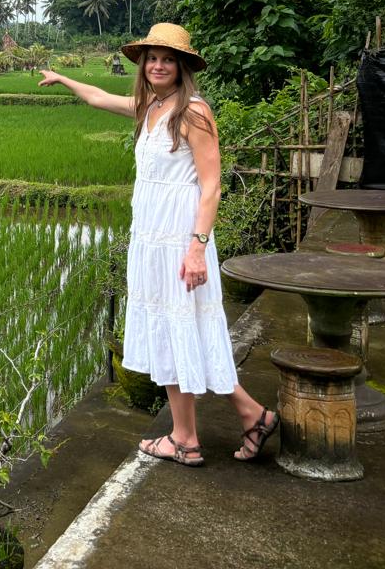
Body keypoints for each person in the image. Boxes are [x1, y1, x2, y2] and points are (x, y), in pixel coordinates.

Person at [39, 23, 278, 466]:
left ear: (182, 66)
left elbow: (211, 187)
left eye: (168, 59)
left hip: (179, 240)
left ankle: (186, 439)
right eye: (152, 58)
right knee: (181, 331)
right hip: (151, 238)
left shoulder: (194, 113)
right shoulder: (150, 106)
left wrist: (197, 248)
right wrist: (63, 79)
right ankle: (250, 415)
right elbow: (98, 97)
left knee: (177, 328)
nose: (159, 65)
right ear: (143, 64)